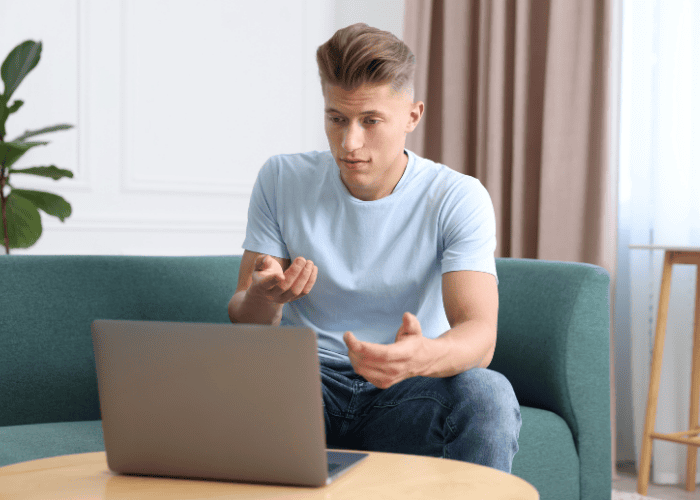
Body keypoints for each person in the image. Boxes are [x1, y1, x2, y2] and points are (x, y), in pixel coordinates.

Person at [228, 23, 521, 472]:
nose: (350, 143)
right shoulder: (281, 178)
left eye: (370, 121)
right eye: (336, 119)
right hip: (305, 385)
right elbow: (243, 317)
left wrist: (424, 356)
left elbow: (479, 335)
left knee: (488, 392)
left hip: (406, 388)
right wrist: (265, 299)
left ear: (412, 116)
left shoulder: (457, 197)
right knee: (229, 379)